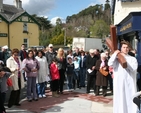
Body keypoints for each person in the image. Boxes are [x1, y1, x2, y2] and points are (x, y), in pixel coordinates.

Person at [108, 41, 138, 113]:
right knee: (120, 99)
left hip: (129, 83)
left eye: (127, 47)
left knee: (130, 99)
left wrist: (125, 62)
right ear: (121, 48)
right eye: (124, 47)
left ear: (129, 49)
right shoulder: (117, 59)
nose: (125, 49)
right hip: (119, 83)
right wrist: (115, 54)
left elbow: (133, 68)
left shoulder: (132, 59)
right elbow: (110, 63)